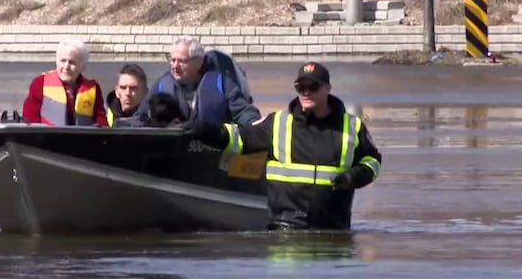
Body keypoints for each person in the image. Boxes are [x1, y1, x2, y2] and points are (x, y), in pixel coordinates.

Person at [184, 62, 381, 230]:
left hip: (334, 231)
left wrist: (353, 177)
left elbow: (372, 160)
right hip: (285, 230)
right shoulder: (278, 123)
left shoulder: (351, 126)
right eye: (300, 87)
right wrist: (206, 131)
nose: (306, 92)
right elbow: (238, 138)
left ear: (327, 88)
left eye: (312, 87)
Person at [132, 36, 260, 127]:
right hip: (175, 150)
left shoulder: (221, 82)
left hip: (211, 148)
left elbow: (243, 111)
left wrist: (255, 123)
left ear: (198, 62)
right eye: (172, 60)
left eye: (181, 61)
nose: (175, 66)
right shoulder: (162, 84)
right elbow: (139, 118)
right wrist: (161, 125)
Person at [22, 39, 107, 126]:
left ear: (82, 67)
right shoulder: (40, 83)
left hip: (82, 138)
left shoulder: (93, 89)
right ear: (56, 62)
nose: (66, 66)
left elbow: (101, 124)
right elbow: (29, 121)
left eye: (72, 62)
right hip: (48, 138)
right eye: (63, 61)